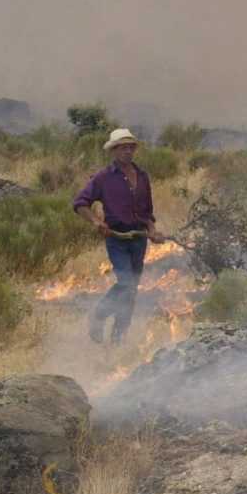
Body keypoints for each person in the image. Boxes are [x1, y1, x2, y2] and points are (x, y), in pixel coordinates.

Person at [74, 128, 165, 344]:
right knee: (126, 282)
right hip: (117, 239)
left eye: (130, 147)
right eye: (123, 147)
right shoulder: (103, 178)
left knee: (132, 290)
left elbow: (147, 213)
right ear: (114, 151)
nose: (128, 151)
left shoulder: (142, 177)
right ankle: (98, 316)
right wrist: (97, 222)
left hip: (139, 239)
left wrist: (152, 231)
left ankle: (118, 338)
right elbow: (80, 203)